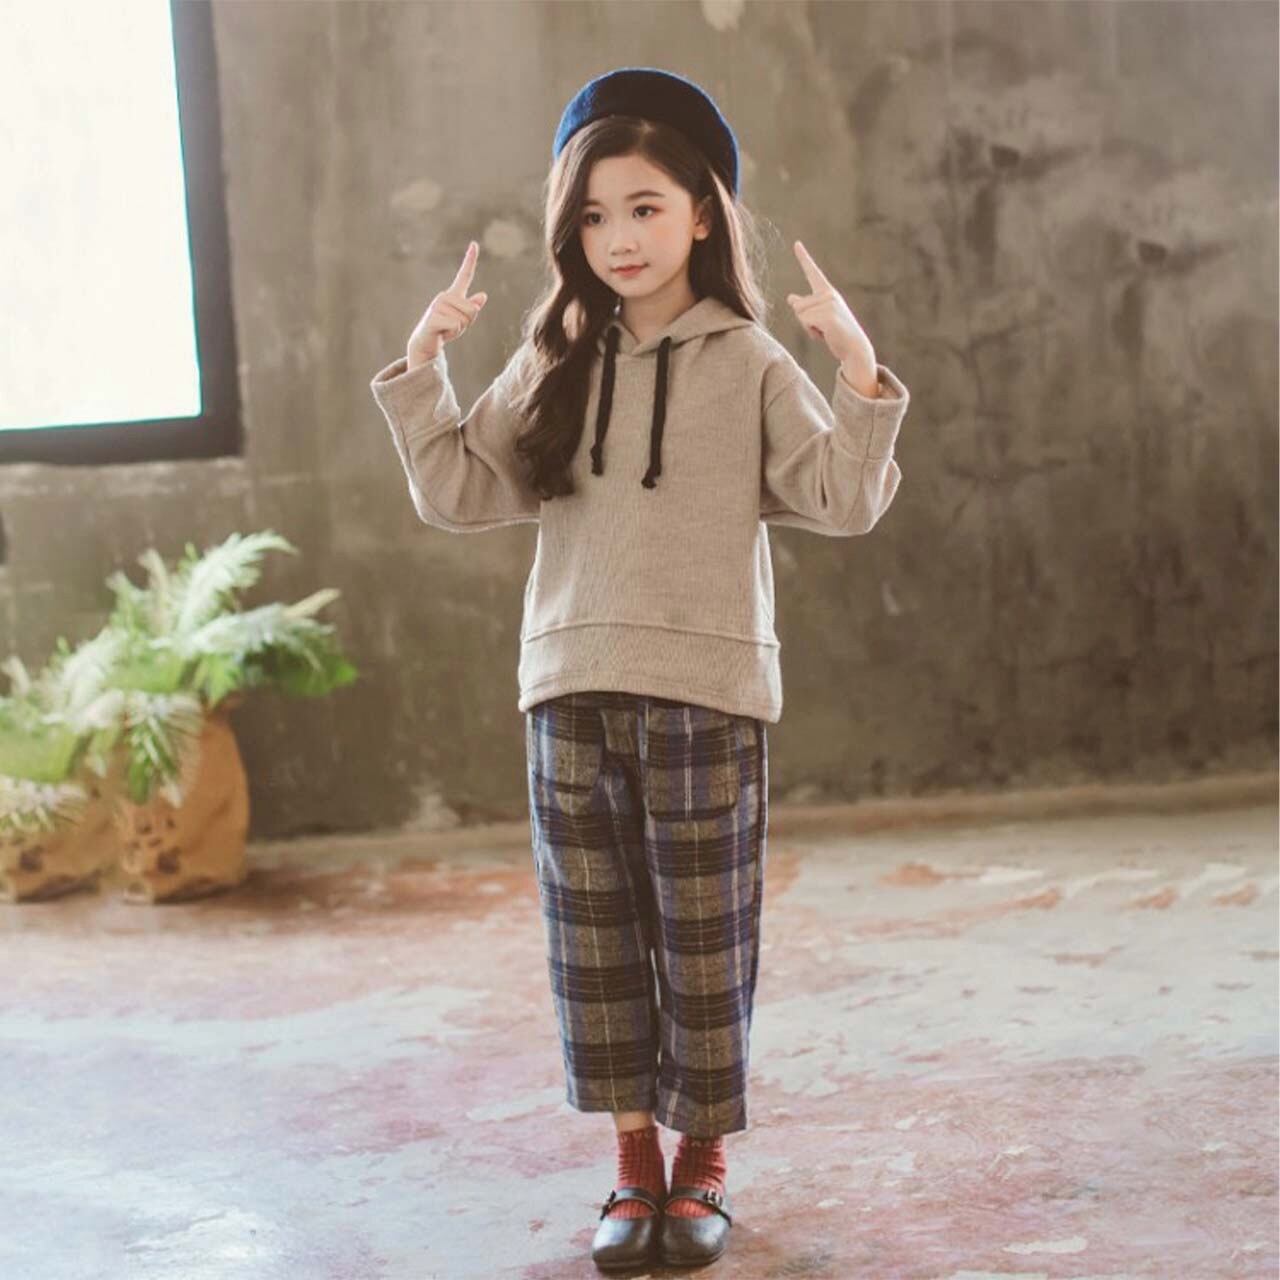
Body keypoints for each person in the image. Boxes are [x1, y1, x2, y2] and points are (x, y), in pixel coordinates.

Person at [369, 65, 911, 1274]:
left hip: (707, 699)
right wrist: (423, 367)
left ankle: (701, 1162)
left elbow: (843, 497)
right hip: (566, 691)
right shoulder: (555, 353)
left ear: (702, 213)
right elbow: (458, 489)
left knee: (705, 946)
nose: (618, 237)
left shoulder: (750, 359)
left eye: (645, 207)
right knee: (596, 944)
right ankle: (631, 1164)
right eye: (594, 215)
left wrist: (857, 370)